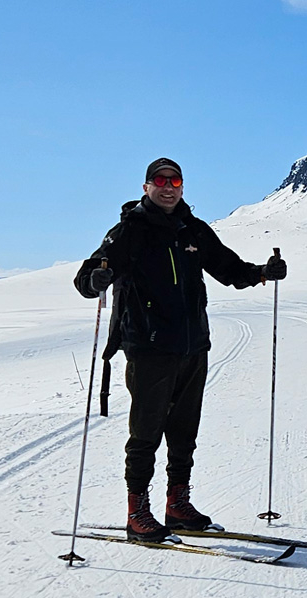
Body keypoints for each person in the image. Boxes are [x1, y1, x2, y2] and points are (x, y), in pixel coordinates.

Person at [74, 157, 287, 542]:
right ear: (146, 188)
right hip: (149, 350)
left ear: (183, 187)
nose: (168, 186)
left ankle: (177, 505)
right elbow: (86, 278)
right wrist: (95, 279)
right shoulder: (129, 232)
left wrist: (261, 272)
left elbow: (229, 269)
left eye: (175, 181)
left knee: (184, 433)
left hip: (192, 347)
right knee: (145, 435)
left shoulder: (194, 230)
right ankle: (137, 512)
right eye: (160, 180)